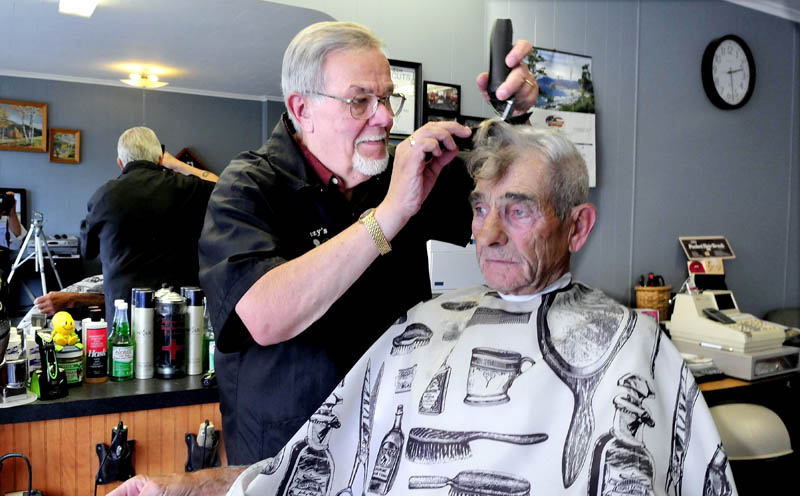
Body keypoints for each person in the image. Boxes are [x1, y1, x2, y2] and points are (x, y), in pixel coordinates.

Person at [111, 120, 737, 496]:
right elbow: (303, 472)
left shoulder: (634, 343)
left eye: (517, 210)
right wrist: (178, 485)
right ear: (302, 108)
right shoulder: (426, 326)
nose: (487, 234)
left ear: (578, 229)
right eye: (479, 209)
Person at [197, 20, 538, 465]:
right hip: (287, 461)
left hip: (394, 446)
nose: (385, 117)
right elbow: (264, 315)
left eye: (386, 98)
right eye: (360, 101)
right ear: (302, 109)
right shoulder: (246, 188)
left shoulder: (412, 171)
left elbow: (518, 198)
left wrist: (519, 118)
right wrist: (390, 215)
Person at [80, 126, 218, 325]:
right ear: (161, 159)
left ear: (120, 163)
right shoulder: (186, 188)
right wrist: (178, 165)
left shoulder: (104, 197)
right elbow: (222, 185)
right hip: (178, 309)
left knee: (126, 354)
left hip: (125, 310)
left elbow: (88, 251)